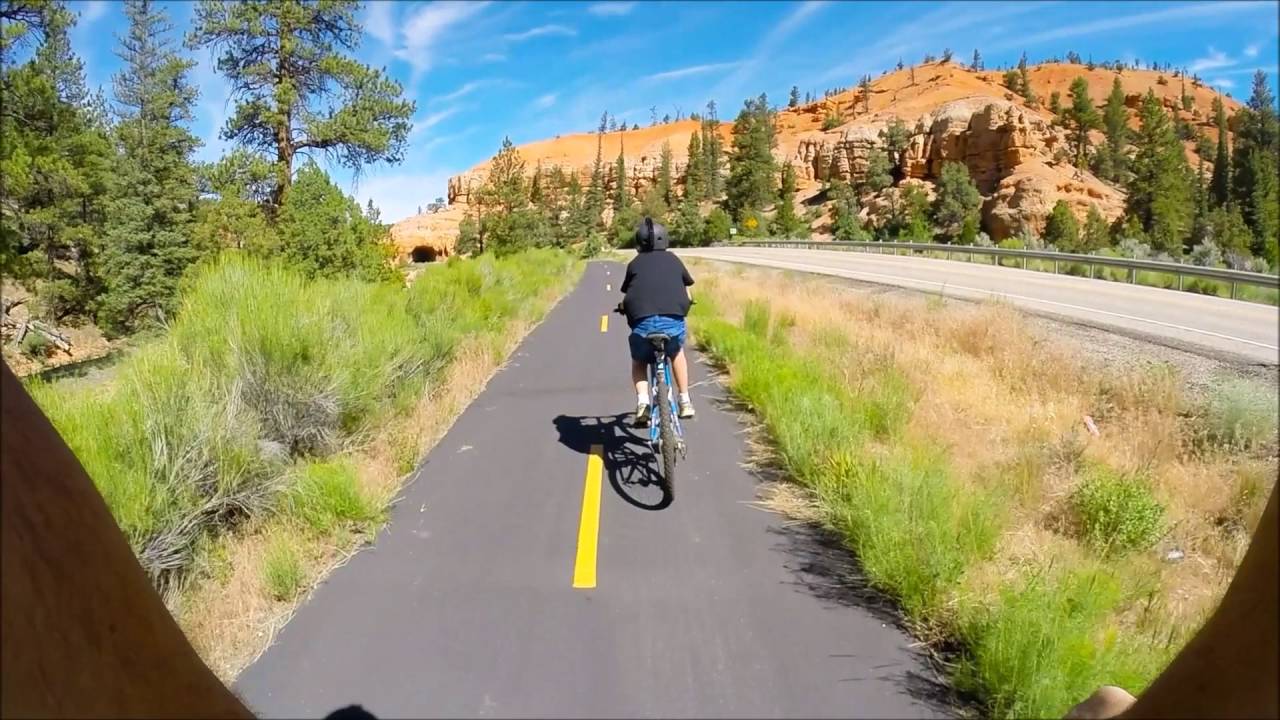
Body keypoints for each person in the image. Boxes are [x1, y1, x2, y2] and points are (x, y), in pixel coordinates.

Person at [618, 217, 695, 426]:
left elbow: (627, 295)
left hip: (643, 327)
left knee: (639, 361)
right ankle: (685, 400)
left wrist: (623, 308)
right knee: (677, 353)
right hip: (672, 324)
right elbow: (688, 293)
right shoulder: (674, 260)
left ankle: (643, 402)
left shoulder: (634, 264)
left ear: (638, 242)